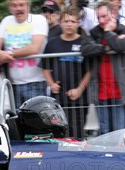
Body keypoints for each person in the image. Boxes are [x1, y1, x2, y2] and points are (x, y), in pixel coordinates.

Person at [81, 1, 125, 135]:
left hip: (120, 90)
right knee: (104, 133)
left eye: (104, 16)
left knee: (119, 132)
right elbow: (85, 49)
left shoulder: (124, 29)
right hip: (101, 91)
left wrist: (108, 32)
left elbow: (121, 45)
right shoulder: (94, 32)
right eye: (98, 17)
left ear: (113, 14)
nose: (101, 21)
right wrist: (105, 48)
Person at [42, 6, 91, 138]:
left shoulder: (85, 43)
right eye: (66, 21)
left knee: (77, 133)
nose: (69, 24)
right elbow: (45, 67)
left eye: (73, 21)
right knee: (59, 133)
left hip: (79, 98)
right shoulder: (52, 43)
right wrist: (51, 84)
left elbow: (90, 70)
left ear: (78, 23)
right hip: (57, 99)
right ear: (61, 22)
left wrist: (80, 89)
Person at [0, 0, 48, 106]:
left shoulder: (37, 19)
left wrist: (8, 54)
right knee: (16, 121)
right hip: (13, 84)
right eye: (14, 5)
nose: (18, 8)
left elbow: (34, 48)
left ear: (28, 6)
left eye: (21, 5)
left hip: (35, 82)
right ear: (10, 8)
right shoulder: (7, 21)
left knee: (35, 121)